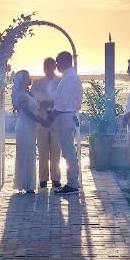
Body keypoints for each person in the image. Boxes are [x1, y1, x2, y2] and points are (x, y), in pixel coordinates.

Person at [50, 51, 82, 195]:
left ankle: (72, 184)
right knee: (69, 150)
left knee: (68, 151)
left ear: (65, 61)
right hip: (68, 116)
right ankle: (73, 182)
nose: (56, 64)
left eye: (58, 61)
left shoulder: (69, 78)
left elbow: (63, 102)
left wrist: (50, 116)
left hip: (66, 116)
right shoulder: (69, 76)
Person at [31, 58, 61, 189]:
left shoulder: (61, 81)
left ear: (54, 67)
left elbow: (64, 100)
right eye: (45, 66)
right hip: (42, 119)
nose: (47, 68)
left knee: (56, 150)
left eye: (50, 66)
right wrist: (41, 104)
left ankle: (56, 178)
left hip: (56, 119)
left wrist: (51, 103)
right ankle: (43, 178)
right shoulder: (37, 83)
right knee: (42, 150)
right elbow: (32, 100)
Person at [12, 70, 44, 193]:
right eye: (26, 76)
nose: (29, 78)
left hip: (30, 127)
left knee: (30, 154)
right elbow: (27, 112)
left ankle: (28, 182)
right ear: (22, 80)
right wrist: (41, 120)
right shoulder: (21, 94)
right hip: (24, 126)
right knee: (25, 154)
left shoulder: (28, 93)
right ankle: (26, 183)